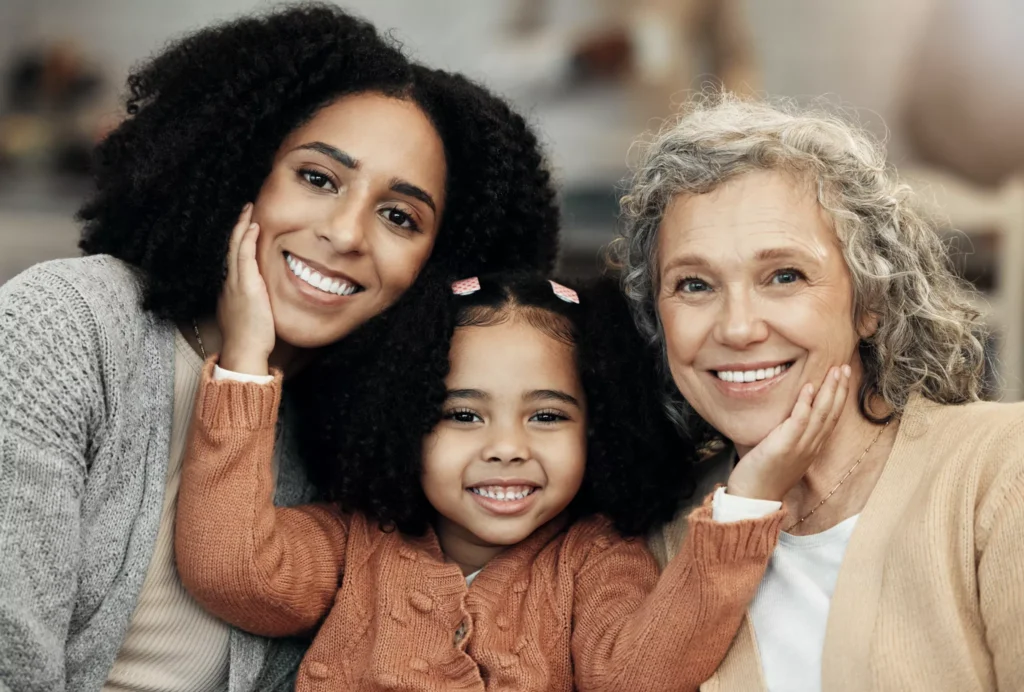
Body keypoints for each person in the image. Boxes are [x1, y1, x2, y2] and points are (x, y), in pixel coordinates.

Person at [0, 5, 560, 691]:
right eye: (318, 178)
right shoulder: (67, 327)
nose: (348, 233)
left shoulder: (369, 445)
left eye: (399, 217)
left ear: (436, 267)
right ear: (242, 170)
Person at [174, 257, 849, 691]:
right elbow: (232, 572)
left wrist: (751, 497)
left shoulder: (593, 560)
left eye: (547, 417)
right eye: (464, 417)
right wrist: (246, 362)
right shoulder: (358, 542)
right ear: (403, 424)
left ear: (602, 428)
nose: (506, 448)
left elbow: (641, 674)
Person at [612, 93, 1024, 691]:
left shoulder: (1001, 471)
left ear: (871, 303)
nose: (738, 327)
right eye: (694, 284)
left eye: (785, 276)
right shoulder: (660, 544)